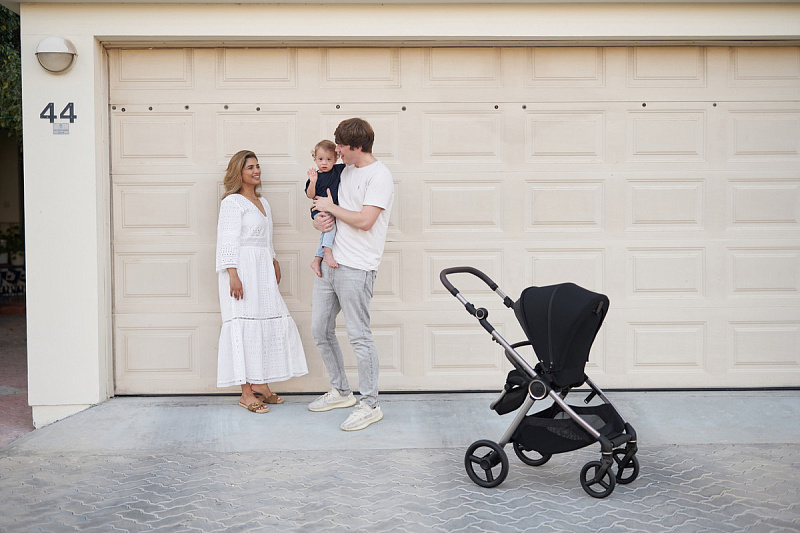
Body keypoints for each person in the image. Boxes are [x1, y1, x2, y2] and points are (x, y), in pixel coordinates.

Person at [307, 118, 394, 431]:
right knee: (320, 330)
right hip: (330, 264)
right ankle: (341, 391)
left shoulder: (379, 176)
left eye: (342, 146)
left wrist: (331, 208)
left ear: (357, 146)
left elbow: (365, 221)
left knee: (359, 336)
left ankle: (370, 404)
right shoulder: (344, 171)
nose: (337, 151)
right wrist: (318, 219)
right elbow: (323, 206)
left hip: (358, 267)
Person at [216, 150, 308, 413]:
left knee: (265, 320)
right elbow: (227, 240)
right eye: (250, 167)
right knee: (243, 324)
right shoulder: (232, 202)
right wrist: (232, 274)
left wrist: (273, 259)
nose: (256, 171)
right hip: (241, 269)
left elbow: (267, 238)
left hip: (262, 269)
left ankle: (261, 385)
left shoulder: (262, 202)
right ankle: (246, 393)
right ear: (238, 172)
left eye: (257, 166)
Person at [305, 140, 345, 277]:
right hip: (319, 209)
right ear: (315, 158)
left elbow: (353, 165)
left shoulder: (338, 170)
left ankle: (317, 260)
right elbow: (310, 195)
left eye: (329, 159)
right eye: (320, 159)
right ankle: (327, 253)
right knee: (329, 227)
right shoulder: (316, 177)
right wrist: (313, 182)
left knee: (326, 232)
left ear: (336, 159)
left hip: (331, 208)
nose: (324, 163)